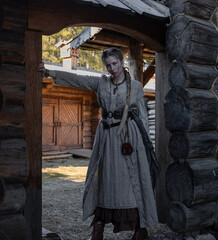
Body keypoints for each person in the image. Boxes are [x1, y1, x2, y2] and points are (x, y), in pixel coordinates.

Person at [38, 47, 158, 240]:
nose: (112, 69)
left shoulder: (134, 86)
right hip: (107, 138)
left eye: (115, 64)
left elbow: (142, 115)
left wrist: (146, 145)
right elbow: (77, 78)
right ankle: (98, 229)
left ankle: (139, 228)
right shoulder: (100, 83)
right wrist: (50, 72)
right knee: (104, 178)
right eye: (108, 65)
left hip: (129, 138)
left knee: (131, 180)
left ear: (121, 62)